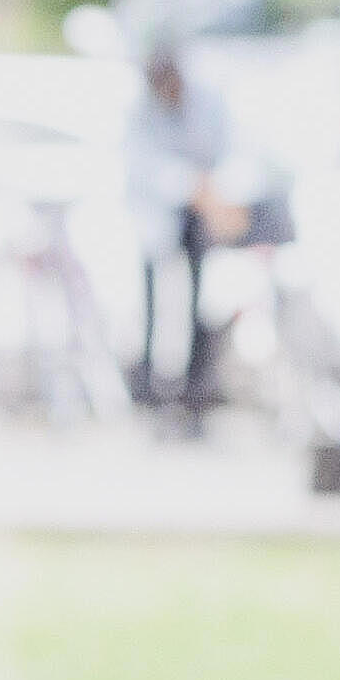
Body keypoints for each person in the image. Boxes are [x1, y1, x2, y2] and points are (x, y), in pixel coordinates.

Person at [120, 28, 246, 428]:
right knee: (153, 303)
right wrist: (192, 187)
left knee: (201, 301)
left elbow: (227, 149)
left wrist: (210, 193)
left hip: (203, 214)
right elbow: (146, 168)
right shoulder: (142, 110)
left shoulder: (207, 99)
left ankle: (197, 388)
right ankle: (152, 388)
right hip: (160, 213)